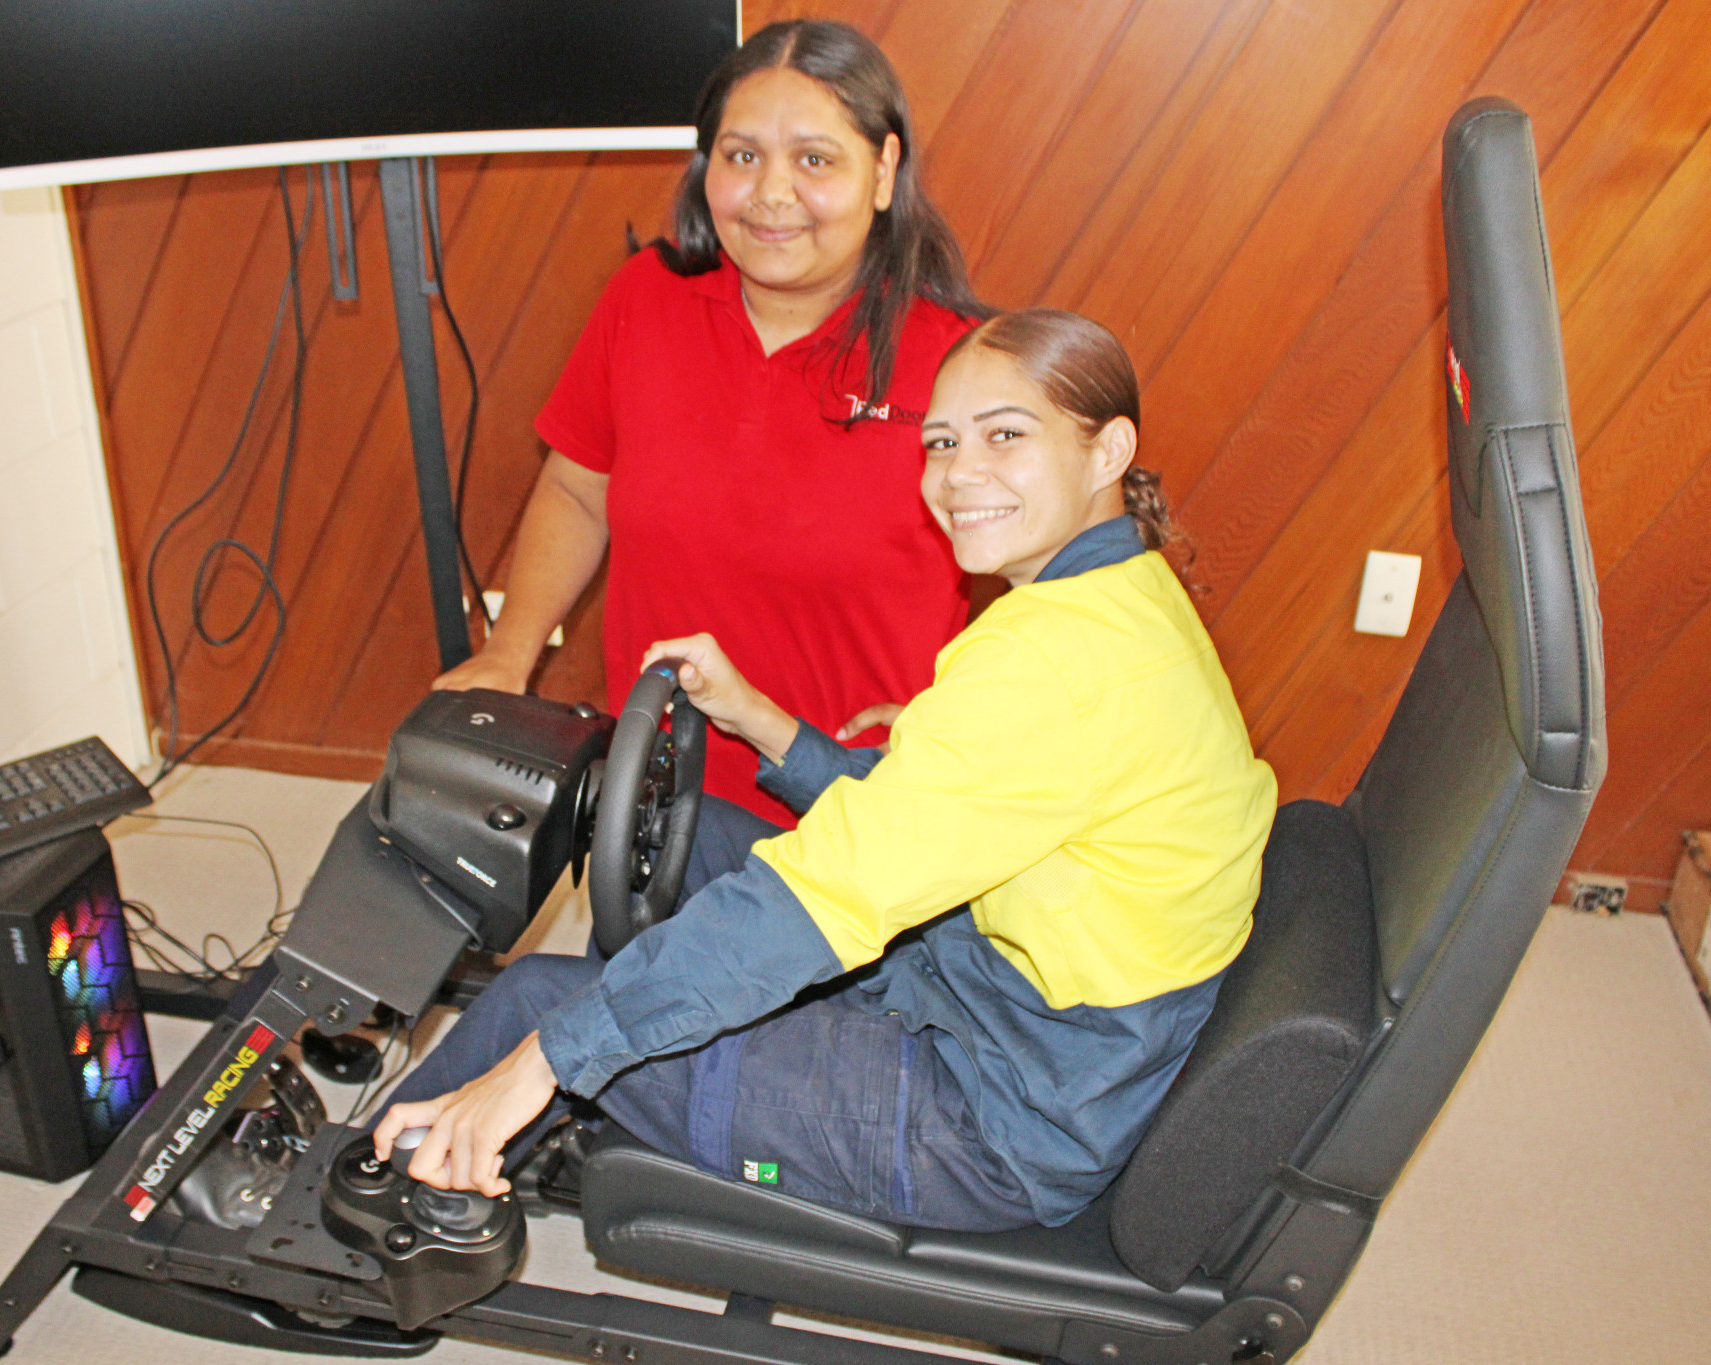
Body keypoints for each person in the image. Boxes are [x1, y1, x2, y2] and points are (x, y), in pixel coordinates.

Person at [371, 309, 1278, 1231]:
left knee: (540, 1006)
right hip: (997, 1000)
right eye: (941, 440)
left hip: (1001, 1115)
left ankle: (358, 1220)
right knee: (694, 852)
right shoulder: (1109, 594)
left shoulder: (1050, 662)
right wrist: (760, 719)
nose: (961, 472)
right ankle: (578, 1099)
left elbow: (822, 900)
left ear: (1107, 450)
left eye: (1006, 435)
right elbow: (923, 814)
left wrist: (548, 1060)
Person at [432, 20, 988, 829]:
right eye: (742, 155)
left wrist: (964, 726)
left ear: (883, 170)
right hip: (657, 797)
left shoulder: (961, 363)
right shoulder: (645, 298)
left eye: (814, 159)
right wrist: (510, 652)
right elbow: (579, 492)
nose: (770, 193)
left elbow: (1055, 578)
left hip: (850, 816)